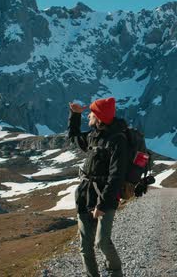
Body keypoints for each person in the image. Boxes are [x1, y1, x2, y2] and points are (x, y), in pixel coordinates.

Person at [68, 97, 127, 277]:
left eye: (90, 114)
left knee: (102, 242)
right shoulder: (94, 136)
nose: (88, 117)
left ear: (99, 117)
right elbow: (74, 137)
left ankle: (116, 273)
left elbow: (116, 176)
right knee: (85, 247)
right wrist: (75, 115)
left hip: (105, 198)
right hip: (86, 195)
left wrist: (102, 205)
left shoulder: (118, 140)